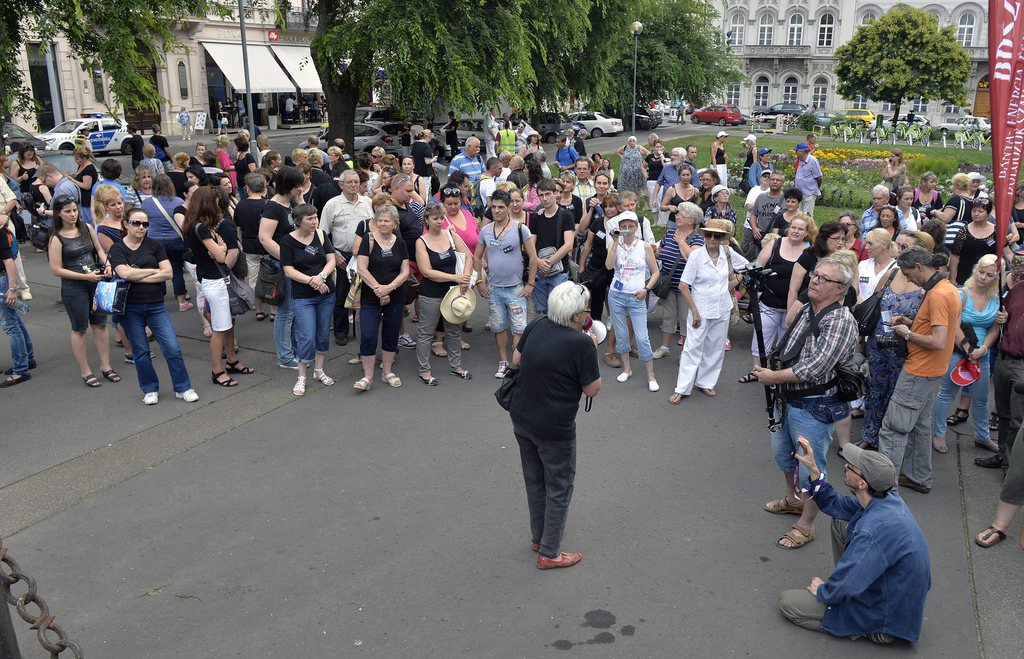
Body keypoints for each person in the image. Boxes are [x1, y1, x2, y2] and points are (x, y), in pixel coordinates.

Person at [778, 440, 931, 645]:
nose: (844, 465)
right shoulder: (884, 498)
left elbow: (866, 544)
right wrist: (814, 469)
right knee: (841, 520)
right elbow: (835, 504)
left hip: (886, 611)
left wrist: (825, 591)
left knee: (788, 603)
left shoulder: (873, 530)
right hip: (895, 594)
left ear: (862, 484)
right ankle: (847, 588)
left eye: (850, 466)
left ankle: (876, 630)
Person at [753, 256, 859, 549]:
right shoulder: (806, 309)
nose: (814, 280)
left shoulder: (840, 320)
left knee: (812, 466)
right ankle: (793, 500)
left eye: (824, 279)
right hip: (787, 399)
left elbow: (816, 367)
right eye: (815, 274)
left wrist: (774, 376)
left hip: (814, 405)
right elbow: (788, 347)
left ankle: (807, 524)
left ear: (840, 290)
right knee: (783, 456)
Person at [508, 281, 602, 569]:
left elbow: (516, 360)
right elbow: (592, 389)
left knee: (535, 480)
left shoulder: (538, 324)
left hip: (522, 415)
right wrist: (592, 349)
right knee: (559, 485)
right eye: (585, 311)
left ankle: (540, 537)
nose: (587, 314)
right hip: (554, 428)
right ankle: (549, 553)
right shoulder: (582, 343)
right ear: (576, 316)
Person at [878, 247, 961, 494]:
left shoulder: (937, 295)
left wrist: (908, 333)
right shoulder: (947, 289)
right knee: (920, 425)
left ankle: (883, 487)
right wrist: (912, 322)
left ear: (918, 267)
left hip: (920, 370)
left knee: (893, 427)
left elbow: (937, 340)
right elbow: (940, 331)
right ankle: (918, 476)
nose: (907, 279)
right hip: (932, 369)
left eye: (907, 273)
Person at [108, 207, 198, 405]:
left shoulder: (155, 245)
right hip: (130, 308)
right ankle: (149, 389)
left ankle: (183, 387)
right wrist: (152, 271)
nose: (141, 227)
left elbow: (167, 273)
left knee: (172, 348)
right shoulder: (117, 248)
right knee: (140, 351)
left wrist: (137, 273)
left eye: (145, 224)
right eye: (136, 223)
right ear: (126, 224)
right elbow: (124, 274)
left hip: (156, 304)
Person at [858, 232, 931, 450]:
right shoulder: (891, 274)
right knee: (874, 390)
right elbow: (874, 303)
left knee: (896, 395)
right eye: (898, 245)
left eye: (905, 246)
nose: (899, 250)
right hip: (878, 343)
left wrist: (909, 324)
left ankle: (888, 443)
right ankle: (869, 435)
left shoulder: (926, 285)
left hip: (905, 348)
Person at [670, 218, 748, 403]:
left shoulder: (727, 252)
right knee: (692, 348)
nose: (712, 238)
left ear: (722, 238)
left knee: (716, 348)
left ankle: (705, 382)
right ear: (704, 235)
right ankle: (682, 388)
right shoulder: (696, 256)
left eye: (717, 235)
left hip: (722, 308)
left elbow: (747, 266)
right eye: (709, 234)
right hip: (701, 309)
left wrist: (734, 282)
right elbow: (683, 285)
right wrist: (695, 312)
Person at [183, 187, 252, 388]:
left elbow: (218, 252)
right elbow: (222, 254)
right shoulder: (202, 228)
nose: (218, 205)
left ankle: (231, 360)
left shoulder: (197, 226)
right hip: (214, 281)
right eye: (214, 201)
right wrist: (220, 248)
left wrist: (218, 249)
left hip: (213, 279)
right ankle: (217, 370)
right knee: (220, 328)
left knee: (227, 324)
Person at [933, 255, 1001, 454]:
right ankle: (938, 434)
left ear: (995, 278)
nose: (983, 277)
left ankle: (982, 436)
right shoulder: (961, 294)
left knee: (981, 399)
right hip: (958, 351)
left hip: (982, 355)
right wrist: (969, 349)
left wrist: (983, 350)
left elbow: (995, 329)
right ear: (975, 270)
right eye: (981, 271)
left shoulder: (997, 299)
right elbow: (953, 324)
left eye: (989, 275)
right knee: (946, 394)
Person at [47, 196, 117, 387]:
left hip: (95, 282)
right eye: (67, 211)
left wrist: (107, 264)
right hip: (74, 287)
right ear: (59, 213)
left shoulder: (86, 227)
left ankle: (106, 366)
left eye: (74, 210)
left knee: (100, 323)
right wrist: (86, 277)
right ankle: (85, 370)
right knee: (79, 328)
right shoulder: (56, 238)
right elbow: (56, 269)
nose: (72, 214)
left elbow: (99, 250)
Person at [740, 215, 814, 384]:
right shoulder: (776, 243)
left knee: (786, 342)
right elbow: (757, 266)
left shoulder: (810, 250)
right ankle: (756, 371)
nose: (796, 231)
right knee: (761, 338)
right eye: (793, 227)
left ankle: (778, 375)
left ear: (806, 233)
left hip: (794, 307)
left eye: (800, 229)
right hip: (769, 303)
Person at [475, 190, 538, 378]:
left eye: (501, 207)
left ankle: (516, 364)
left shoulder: (520, 229)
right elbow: (477, 256)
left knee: (519, 329)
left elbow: (534, 258)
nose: (497, 210)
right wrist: (479, 281)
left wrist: (530, 284)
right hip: (494, 289)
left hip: (516, 289)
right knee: (499, 327)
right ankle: (503, 362)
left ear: (509, 207)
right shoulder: (486, 230)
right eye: (493, 207)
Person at [279, 203, 336, 395]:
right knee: (307, 336)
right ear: (298, 221)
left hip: (326, 292)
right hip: (303, 296)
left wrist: (321, 277)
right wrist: (313, 281)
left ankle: (319, 370)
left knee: (322, 334)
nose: (314, 221)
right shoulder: (287, 241)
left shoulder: (320, 235)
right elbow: (288, 270)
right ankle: (302, 376)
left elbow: (331, 260)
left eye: (315, 217)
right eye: (309, 218)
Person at [415, 202, 473, 384]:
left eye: (441, 218)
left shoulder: (450, 234)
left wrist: (466, 277)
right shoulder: (421, 241)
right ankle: (424, 370)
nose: (439, 222)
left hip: (453, 291)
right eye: (435, 218)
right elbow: (426, 271)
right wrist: (456, 277)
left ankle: (456, 366)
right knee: (426, 332)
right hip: (431, 293)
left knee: (454, 330)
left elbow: (469, 256)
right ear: (427, 220)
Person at [355, 204, 411, 390]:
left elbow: (405, 271)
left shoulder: (401, 243)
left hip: (395, 297)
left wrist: (390, 288)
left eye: (386, 221)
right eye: (379, 220)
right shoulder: (367, 239)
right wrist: (378, 288)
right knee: (369, 334)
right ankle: (368, 377)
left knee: (391, 334)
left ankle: (387, 372)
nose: (382, 224)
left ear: (395, 223)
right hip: (371, 296)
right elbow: (361, 268)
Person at [604, 211, 660, 390]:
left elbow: (655, 271)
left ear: (636, 227)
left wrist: (646, 289)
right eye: (624, 227)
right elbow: (609, 265)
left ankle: (651, 375)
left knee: (642, 338)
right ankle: (627, 369)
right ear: (619, 228)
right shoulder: (616, 245)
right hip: (617, 295)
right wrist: (614, 242)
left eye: (631, 226)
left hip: (637, 296)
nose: (627, 230)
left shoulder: (644, 246)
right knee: (621, 335)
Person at [259, 166, 306, 369]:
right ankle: (285, 357)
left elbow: (309, 221)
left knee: (293, 311)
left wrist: (302, 201)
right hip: (283, 265)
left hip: (295, 264)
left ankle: (294, 351)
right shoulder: (273, 207)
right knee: (285, 312)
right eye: (298, 186)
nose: (301, 188)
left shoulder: (293, 201)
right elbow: (265, 238)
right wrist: (288, 259)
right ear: (289, 186)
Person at [654, 202, 705, 358]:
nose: (677, 217)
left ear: (691, 220)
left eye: (681, 215)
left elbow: (693, 259)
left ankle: (687, 352)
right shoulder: (670, 233)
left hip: (686, 287)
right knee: (668, 315)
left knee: (685, 318)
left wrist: (681, 242)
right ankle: (664, 347)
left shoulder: (697, 238)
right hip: (668, 283)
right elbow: (660, 252)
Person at [140, 174, 191, 312]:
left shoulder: (147, 203)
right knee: (176, 270)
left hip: (155, 241)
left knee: (159, 270)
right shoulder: (178, 201)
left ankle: (159, 300)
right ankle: (181, 301)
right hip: (175, 240)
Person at [0, 199, 35, 388]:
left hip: (2, 281)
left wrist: (12, 289)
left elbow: (8, 261)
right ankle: (27, 359)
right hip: (4, 280)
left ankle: (21, 369)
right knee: (14, 320)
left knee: (10, 324)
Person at [529, 179, 575, 314]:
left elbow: (568, 245)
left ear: (555, 193)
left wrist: (548, 263)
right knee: (541, 311)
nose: (545, 198)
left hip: (559, 271)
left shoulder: (566, 215)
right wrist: (538, 262)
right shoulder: (536, 217)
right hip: (540, 271)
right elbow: (531, 243)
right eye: (541, 195)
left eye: (548, 194)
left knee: (557, 312)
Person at [950, 197, 1000, 285]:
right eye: (974, 211)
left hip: (987, 277)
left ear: (988, 213)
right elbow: (955, 257)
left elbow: (1007, 252)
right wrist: (953, 279)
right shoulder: (963, 231)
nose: (976, 214)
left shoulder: (997, 230)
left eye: (980, 212)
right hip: (965, 277)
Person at [67, 147, 97, 225]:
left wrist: (71, 179)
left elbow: (86, 186)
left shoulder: (88, 169)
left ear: (84, 158)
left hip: (87, 199)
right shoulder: (81, 166)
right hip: (81, 198)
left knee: (89, 221)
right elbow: (80, 178)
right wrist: (72, 176)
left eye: (77, 159)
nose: (75, 161)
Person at [793, 142, 822, 215]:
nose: (795, 152)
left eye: (796, 151)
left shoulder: (813, 161)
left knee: (807, 216)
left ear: (801, 152)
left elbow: (819, 177)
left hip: (809, 193)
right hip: (799, 193)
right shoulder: (801, 159)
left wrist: (816, 188)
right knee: (798, 215)